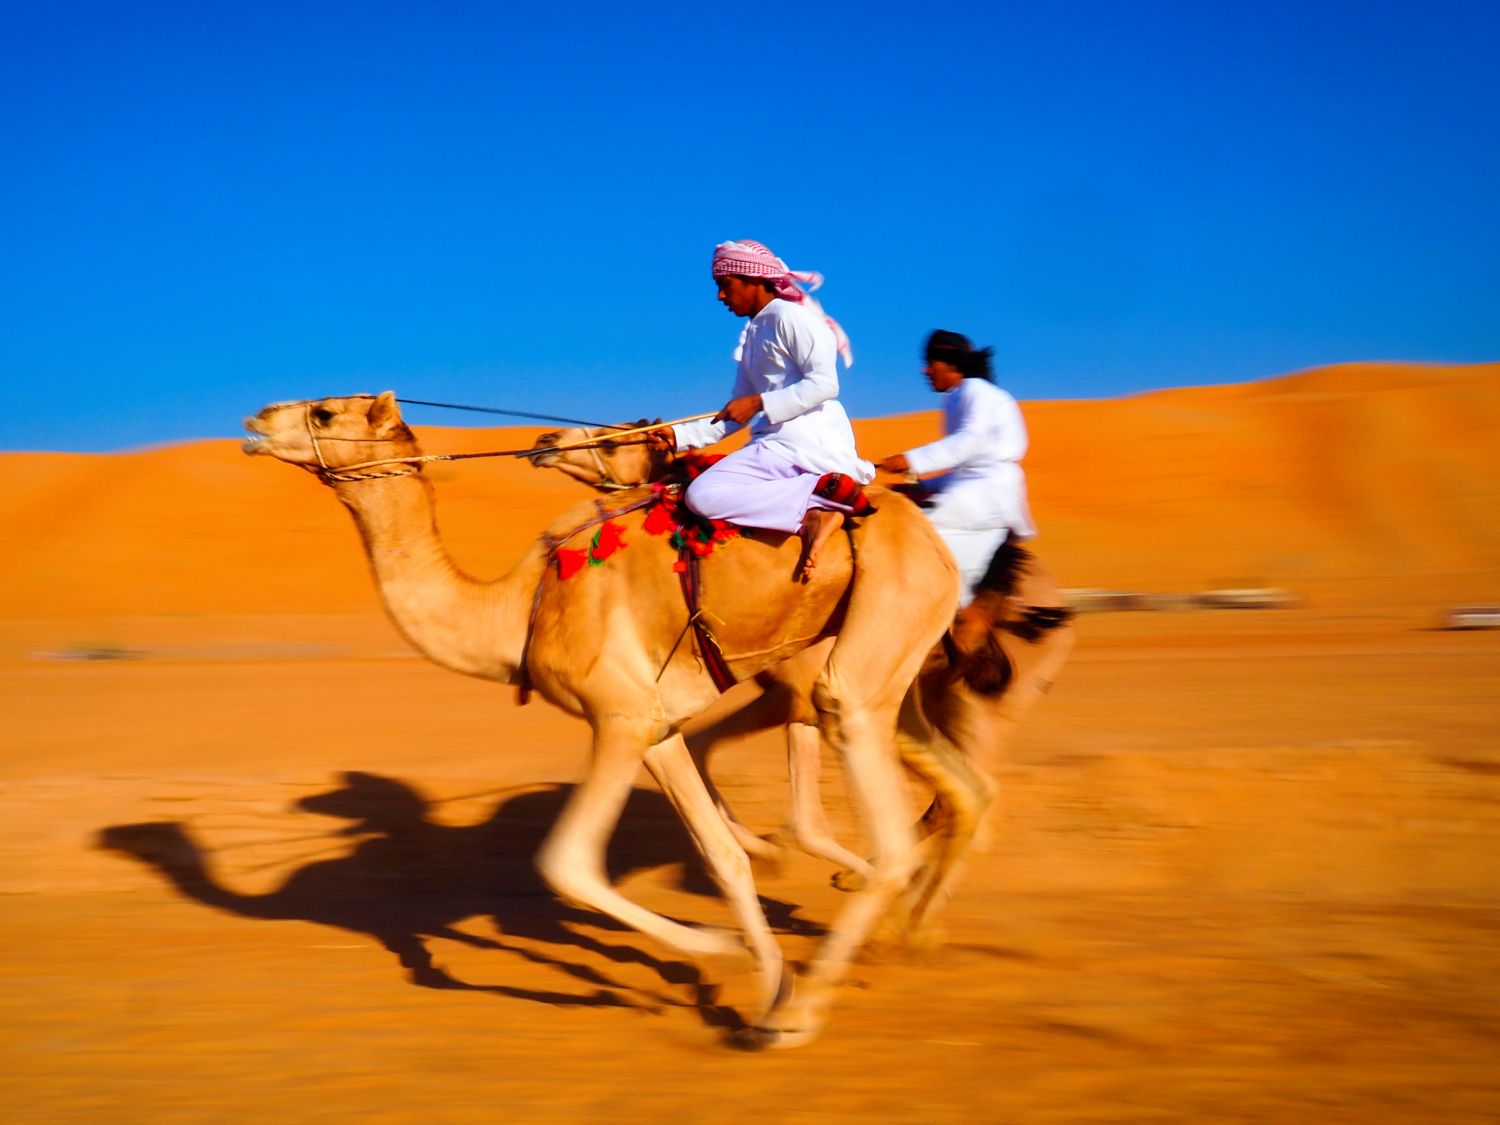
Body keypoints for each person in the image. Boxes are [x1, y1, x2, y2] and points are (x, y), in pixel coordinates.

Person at [649, 240, 874, 581]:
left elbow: (826, 384)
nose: (720, 297)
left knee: (702, 495)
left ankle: (814, 505)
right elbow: (732, 414)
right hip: (772, 446)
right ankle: (813, 502)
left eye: (725, 286)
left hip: (801, 441)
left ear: (752, 278)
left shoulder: (792, 317)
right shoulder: (754, 332)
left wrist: (759, 403)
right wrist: (678, 436)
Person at [876, 330, 1037, 606]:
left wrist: (910, 460)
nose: (925, 370)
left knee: (918, 528)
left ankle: (947, 605)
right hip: (974, 487)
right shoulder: (955, 398)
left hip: (990, 491)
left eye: (930, 362)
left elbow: (967, 444)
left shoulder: (977, 391)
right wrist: (922, 486)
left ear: (951, 363)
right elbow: (964, 466)